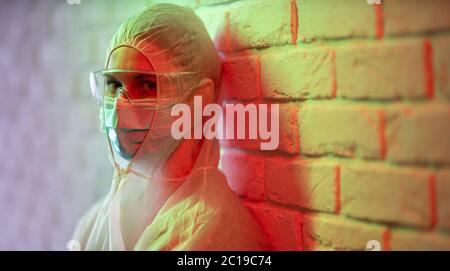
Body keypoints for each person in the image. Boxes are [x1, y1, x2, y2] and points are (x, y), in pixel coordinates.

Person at [71, 3, 269, 251]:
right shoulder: (96, 220)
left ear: (198, 100)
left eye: (146, 85)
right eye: (113, 85)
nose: (119, 109)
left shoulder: (217, 234)